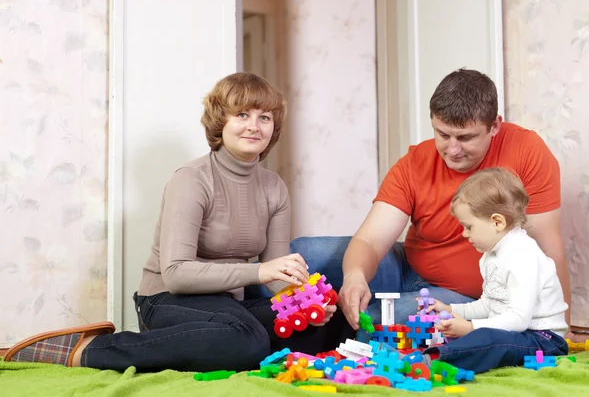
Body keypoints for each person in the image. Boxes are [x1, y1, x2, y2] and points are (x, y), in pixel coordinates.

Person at [4, 72, 354, 372]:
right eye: (242, 114)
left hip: (229, 308)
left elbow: (277, 276)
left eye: (265, 117)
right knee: (246, 339)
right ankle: (88, 350)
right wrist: (258, 272)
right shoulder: (193, 178)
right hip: (168, 298)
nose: (254, 125)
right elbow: (176, 272)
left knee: (332, 322)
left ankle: (230, 346)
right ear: (221, 121)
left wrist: (303, 301)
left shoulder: (273, 187)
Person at [295, 68, 571, 334]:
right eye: (443, 134)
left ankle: (341, 333)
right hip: (408, 268)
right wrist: (354, 276)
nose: (452, 150)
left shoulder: (526, 151)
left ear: (494, 126)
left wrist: (562, 329)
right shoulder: (416, 162)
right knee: (303, 254)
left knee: (385, 321)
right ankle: (265, 330)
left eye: (465, 138)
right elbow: (370, 240)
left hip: (468, 299)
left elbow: (546, 246)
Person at [418, 167, 568, 373]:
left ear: (497, 222)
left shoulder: (523, 255)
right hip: (518, 334)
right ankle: (436, 354)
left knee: (487, 337)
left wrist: (471, 327)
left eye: (468, 226)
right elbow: (490, 305)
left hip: (545, 340)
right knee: (483, 335)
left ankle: (434, 361)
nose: (464, 234)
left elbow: (519, 319)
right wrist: (451, 310)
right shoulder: (491, 255)